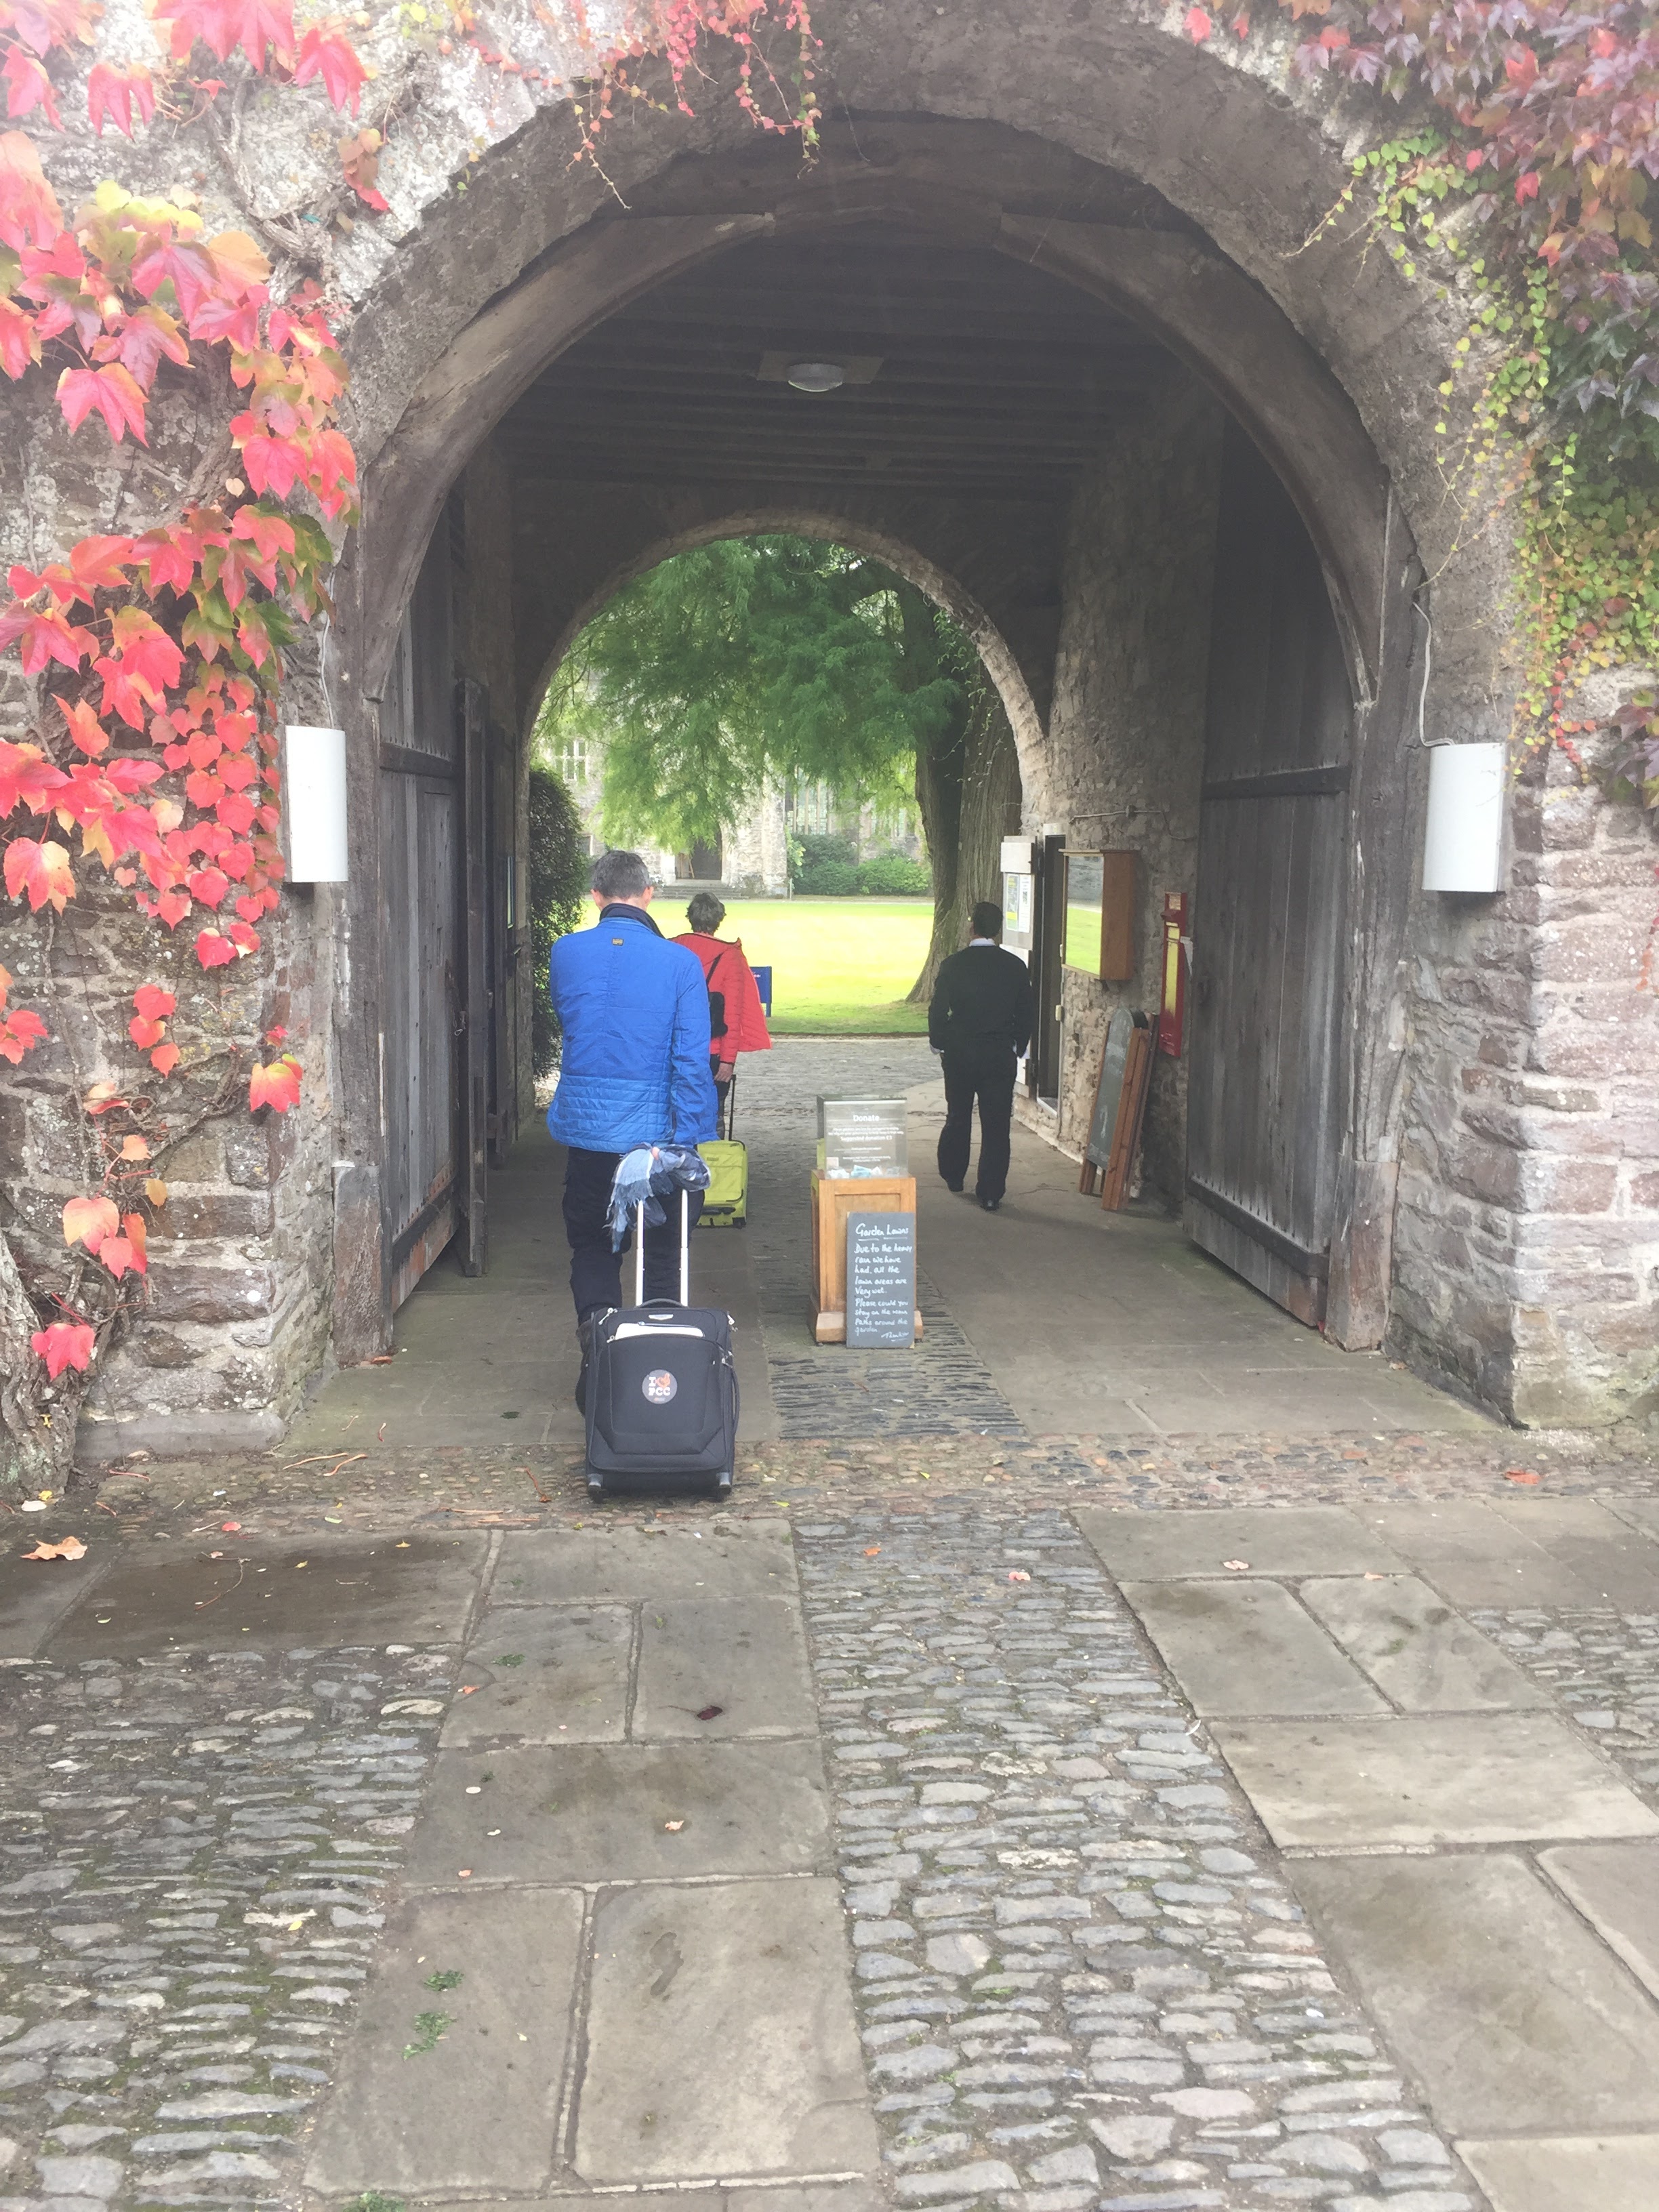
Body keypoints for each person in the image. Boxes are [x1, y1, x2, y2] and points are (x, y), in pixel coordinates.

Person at [548, 850, 717, 1399]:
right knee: (664, 1250)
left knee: (595, 1249)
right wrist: (689, 1142)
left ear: (596, 896)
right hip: (657, 1142)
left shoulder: (566, 953)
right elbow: (690, 1060)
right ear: (648, 894)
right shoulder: (678, 964)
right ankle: (657, 1370)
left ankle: (597, 1348)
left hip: (589, 1136)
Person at [928, 897, 1035, 1212]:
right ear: (998, 931)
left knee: (957, 1115)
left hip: (961, 1051)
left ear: (972, 926)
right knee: (997, 1124)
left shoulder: (953, 965)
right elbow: (1025, 1013)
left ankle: (953, 1174)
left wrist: (939, 1041)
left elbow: (938, 1010)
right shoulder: (1015, 967)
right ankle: (990, 1192)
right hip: (998, 1053)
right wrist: (1017, 1044)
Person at [674, 890, 772, 1129]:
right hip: (714, 1050)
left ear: (691, 917)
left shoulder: (672, 948)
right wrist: (728, 1060)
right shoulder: (731, 957)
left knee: (675, 1117)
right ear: (718, 919)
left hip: (676, 1047)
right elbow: (733, 1012)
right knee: (712, 1120)